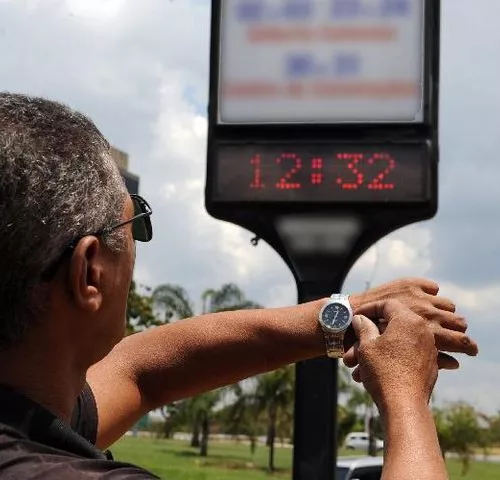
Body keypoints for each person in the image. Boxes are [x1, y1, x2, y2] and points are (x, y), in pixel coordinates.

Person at [0, 93, 477, 479]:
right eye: (135, 226)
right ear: (89, 271)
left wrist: (346, 311)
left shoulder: (27, 405)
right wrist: (406, 395)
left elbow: (142, 371)